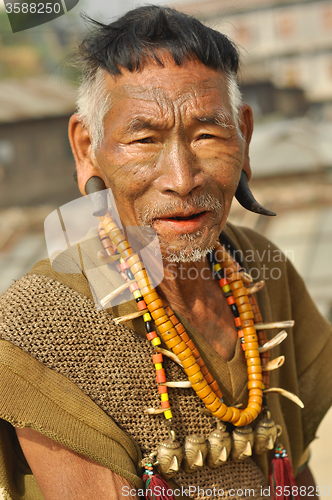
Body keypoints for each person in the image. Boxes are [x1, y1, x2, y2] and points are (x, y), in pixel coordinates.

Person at [1, 5, 332, 500]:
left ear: (245, 135)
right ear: (87, 148)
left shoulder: (264, 272)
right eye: (143, 138)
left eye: (207, 134)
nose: (181, 178)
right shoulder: (47, 323)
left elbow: (296, 476)